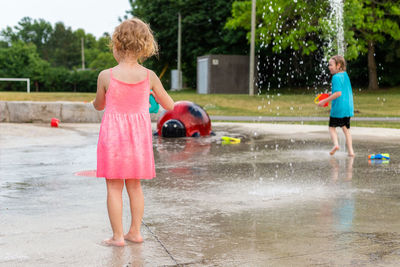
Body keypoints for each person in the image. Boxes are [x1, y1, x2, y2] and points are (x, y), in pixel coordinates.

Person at [92, 18, 174, 247]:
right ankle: (135, 232)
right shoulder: (149, 76)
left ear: (116, 45)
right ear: (145, 46)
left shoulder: (105, 76)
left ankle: (118, 237)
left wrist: (96, 100)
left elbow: (99, 105)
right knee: (135, 185)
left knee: (114, 187)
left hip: (114, 139)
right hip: (138, 140)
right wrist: (152, 95)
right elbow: (169, 104)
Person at [317, 55, 354, 157]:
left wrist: (324, 100)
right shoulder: (345, 75)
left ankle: (336, 145)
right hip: (348, 107)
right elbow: (342, 91)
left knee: (331, 127)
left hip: (339, 108)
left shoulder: (335, 77)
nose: (329, 67)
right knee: (346, 129)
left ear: (338, 65)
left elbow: (338, 94)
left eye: (331, 65)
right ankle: (351, 151)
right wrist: (330, 93)